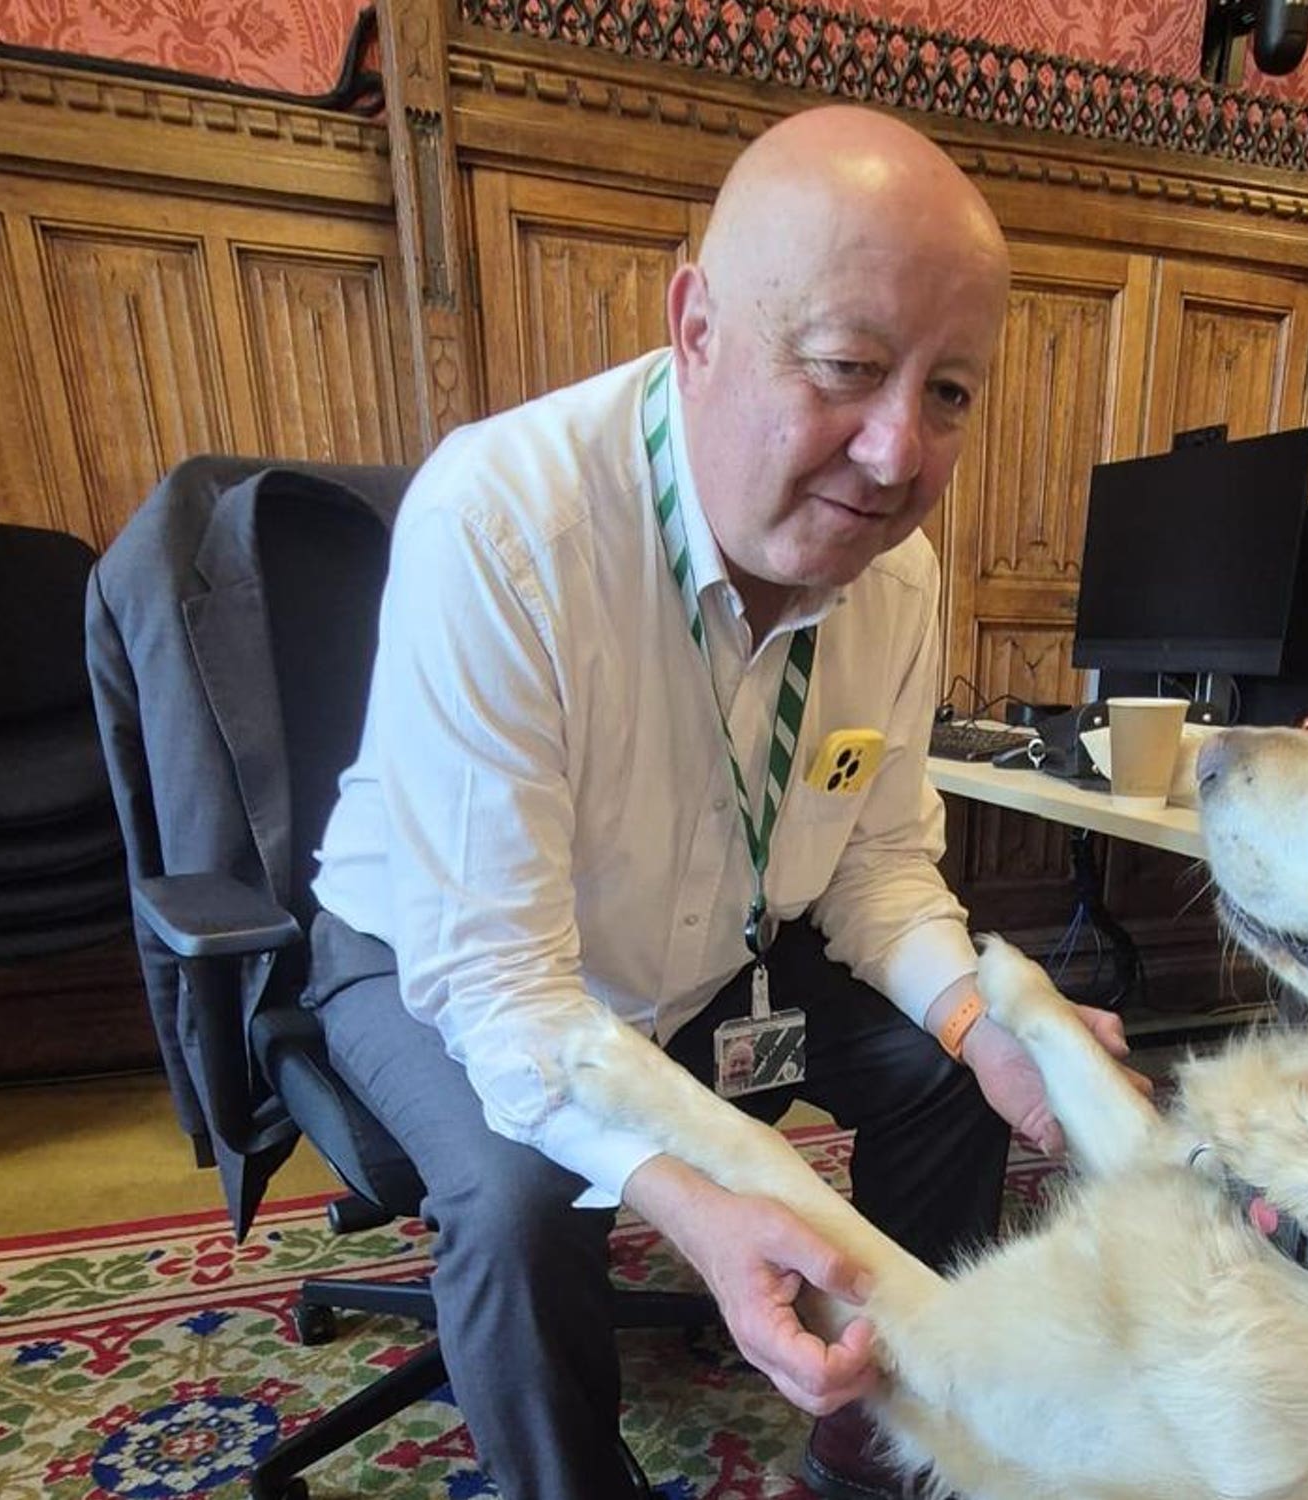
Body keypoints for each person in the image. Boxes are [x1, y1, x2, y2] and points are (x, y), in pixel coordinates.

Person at [308, 104, 1129, 1499]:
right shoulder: (501, 525)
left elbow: (873, 868)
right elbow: (506, 990)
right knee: (517, 1207)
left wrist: (985, 1023)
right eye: (847, 367)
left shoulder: (899, 576)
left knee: (951, 1076)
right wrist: (700, 1197)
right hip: (438, 960)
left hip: (721, 950)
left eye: (946, 394)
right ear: (695, 326)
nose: (895, 457)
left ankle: (875, 1457)